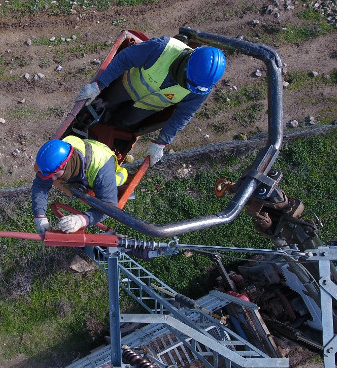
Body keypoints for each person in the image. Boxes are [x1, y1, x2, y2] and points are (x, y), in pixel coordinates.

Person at [75, 35, 226, 165]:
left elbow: (183, 115)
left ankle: (108, 132)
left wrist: (161, 143)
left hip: (147, 107)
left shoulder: (201, 87)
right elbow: (125, 59)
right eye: (188, 82)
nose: (189, 87)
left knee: (125, 122)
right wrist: (99, 85)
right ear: (186, 65)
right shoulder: (162, 48)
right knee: (103, 104)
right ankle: (83, 124)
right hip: (126, 86)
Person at [32, 135, 128, 234]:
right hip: (90, 155)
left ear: (67, 165)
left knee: (115, 181)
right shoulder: (57, 156)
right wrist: (39, 216)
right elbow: (40, 184)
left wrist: (82, 220)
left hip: (107, 168)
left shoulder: (102, 172)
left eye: (55, 174)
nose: (52, 179)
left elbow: (109, 207)